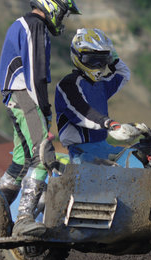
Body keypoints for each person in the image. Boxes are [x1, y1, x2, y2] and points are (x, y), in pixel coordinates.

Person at [0, 0, 80, 237]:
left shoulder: (25, 25)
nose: (63, 17)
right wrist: (44, 108)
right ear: (51, 5)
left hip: (16, 96)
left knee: (21, 162)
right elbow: (35, 75)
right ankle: (23, 219)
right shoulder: (35, 27)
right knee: (43, 156)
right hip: (25, 97)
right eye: (63, 11)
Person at [55, 28, 130, 164]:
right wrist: (109, 123)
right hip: (81, 152)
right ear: (78, 56)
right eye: (93, 60)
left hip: (103, 145)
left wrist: (113, 57)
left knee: (138, 157)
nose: (99, 65)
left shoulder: (101, 84)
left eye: (102, 60)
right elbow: (82, 112)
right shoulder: (68, 84)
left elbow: (124, 75)